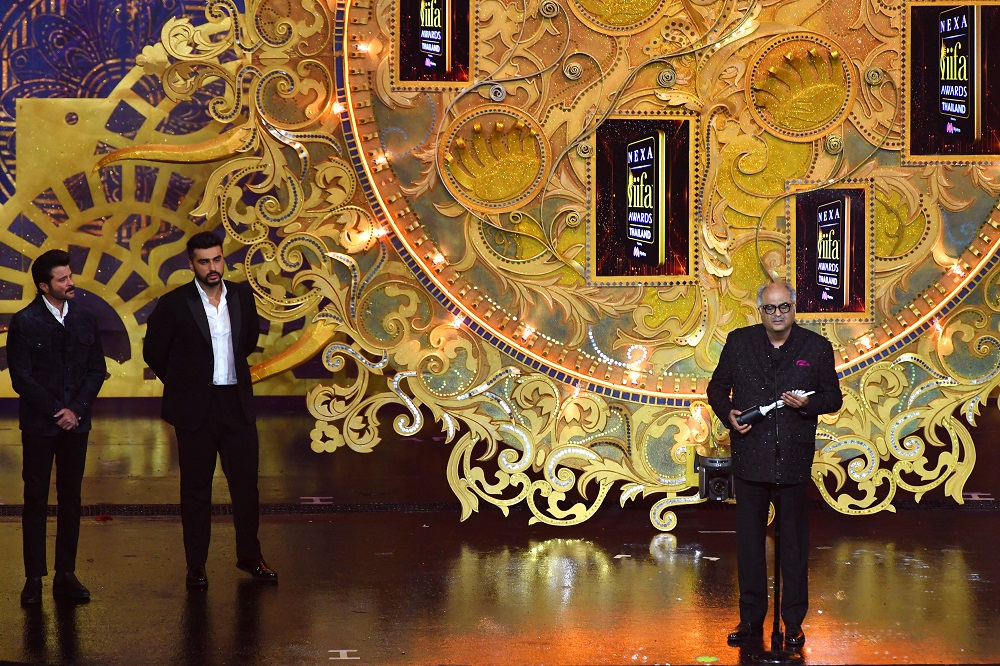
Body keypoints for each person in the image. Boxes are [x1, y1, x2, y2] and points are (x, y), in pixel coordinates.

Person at [707, 281, 842, 649]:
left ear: (795, 308)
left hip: (795, 461)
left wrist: (806, 406)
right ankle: (750, 621)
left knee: (794, 547)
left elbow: (833, 397)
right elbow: (716, 389)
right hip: (751, 459)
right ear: (760, 311)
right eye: (771, 308)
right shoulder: (740, 342)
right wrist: (728, 414)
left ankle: (794, 622)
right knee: (750, 546)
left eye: (784, 307)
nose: (778, 314)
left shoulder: (815, 347)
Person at [143, 231, 276, 589]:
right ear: (191, 264)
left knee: (246, 487)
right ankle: (196, 565)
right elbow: (153, 351)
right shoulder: (174, 303)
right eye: (204, 261)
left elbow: (247, 341)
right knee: (196, 490)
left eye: (217, 259)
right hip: (195, 410)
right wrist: (184, 382)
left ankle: (250, 557)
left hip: (236, 404)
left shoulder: (243, 296)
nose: (213, 267)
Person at [8, 250, 106, 606]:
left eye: (70, 276)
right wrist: (57, 411)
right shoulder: (25, 321)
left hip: (76, 426)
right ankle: (34, 578)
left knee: (71, 499)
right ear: (44, 285)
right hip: (39, 426)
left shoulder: (85, 319)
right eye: (63, 279)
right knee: (35, 500)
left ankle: (66, 574)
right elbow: (22, 378)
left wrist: (75, 411)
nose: (71, 283)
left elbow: (97, 370)